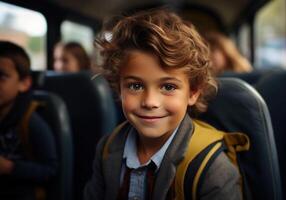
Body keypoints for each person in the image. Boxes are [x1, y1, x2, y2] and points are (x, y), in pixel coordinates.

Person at [85, 9, 242, 200]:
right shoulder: (107, 148)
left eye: (168, 86)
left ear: (193, 92)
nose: (150, 102)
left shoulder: (212, 168)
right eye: (135, 85)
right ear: (119, 89)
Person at [0, 41, 57, 199]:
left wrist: (9, 167)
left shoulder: (31, 122)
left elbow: (50, 170)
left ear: (24, 83)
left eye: (1, 76)